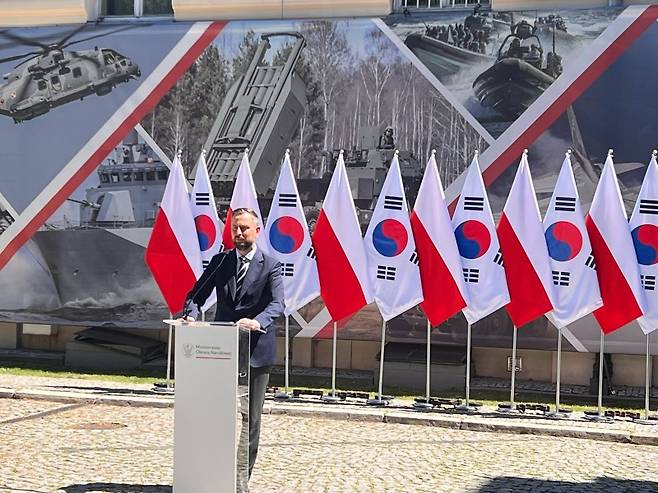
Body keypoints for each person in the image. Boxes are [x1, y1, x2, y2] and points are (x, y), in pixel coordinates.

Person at [183, 207, 284, 479]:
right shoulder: (221, 262)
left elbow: (278, 304)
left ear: (257, 231)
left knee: (250, 419)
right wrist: (191, 314)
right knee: (217, 415)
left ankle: (240, 479)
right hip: (220, 351)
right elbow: (196, 295)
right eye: (234, 229)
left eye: (244, 228)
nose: (239, 233)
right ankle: (214, 476)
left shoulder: (271, 265)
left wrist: (257, 321)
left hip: (255, 352)